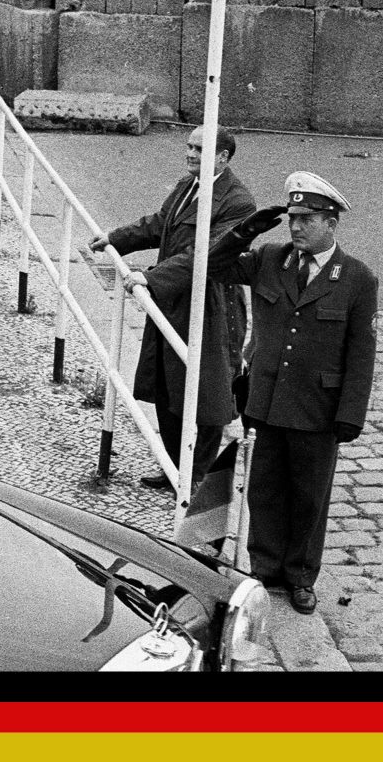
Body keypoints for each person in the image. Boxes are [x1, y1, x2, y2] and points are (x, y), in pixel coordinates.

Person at [208, 171, 379, 615]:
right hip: (264, 401)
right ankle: (263, 569)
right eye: (292, 218)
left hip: (317, 409)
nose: (297, 227)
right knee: (263, 489)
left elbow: (361, 352)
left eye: (307, 219)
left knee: (309, 494)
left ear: (331, 222)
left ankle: (301, 576)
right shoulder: (270, 258)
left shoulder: (357, 278)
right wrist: (247, 229)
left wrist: (351, 413)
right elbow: (214, 265)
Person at [89, 126, 256, 491]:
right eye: (189, 146)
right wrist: (117, 238)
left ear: (223, 157)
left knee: (208, 392)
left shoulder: (238, 202)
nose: (191, 153)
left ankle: (194, 477)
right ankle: (173, 465)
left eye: (200, 148)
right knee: (167, 384)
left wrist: (151, 277)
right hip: (172, 298)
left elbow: (208, 254)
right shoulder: (188, 185)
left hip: (212, 306)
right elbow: (160, 224)